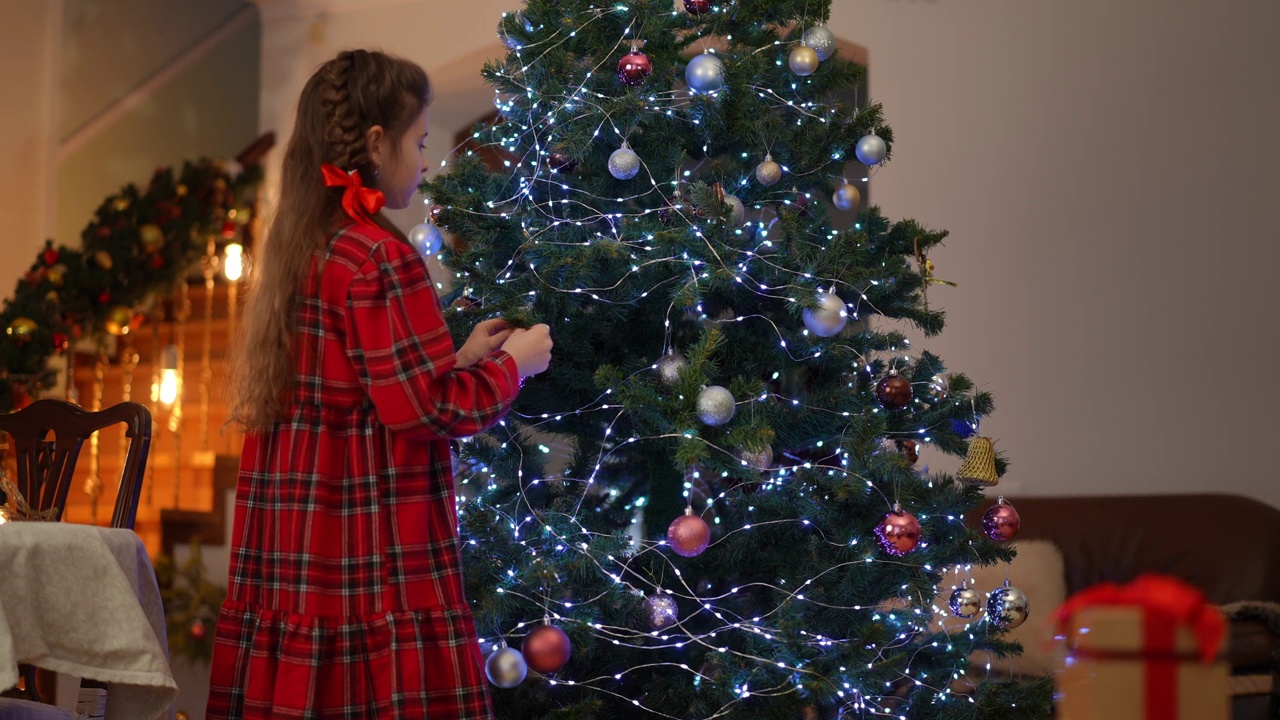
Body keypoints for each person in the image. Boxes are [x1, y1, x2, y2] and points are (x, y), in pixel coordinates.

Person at [208, 49, 552, 720]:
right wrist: (516, 366)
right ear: (375, 143)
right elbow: (424, 410)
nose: (424, 162)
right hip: (366, 538)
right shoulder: (380, 255)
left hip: (301, 537)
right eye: (418, 143)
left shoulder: (309, 243)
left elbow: (365, 384)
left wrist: (457, 356)